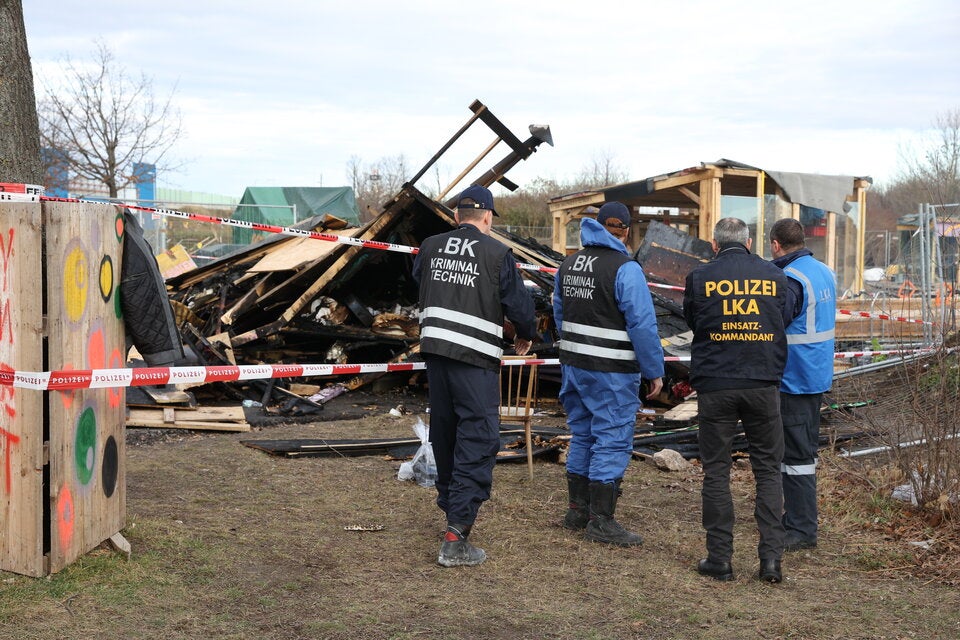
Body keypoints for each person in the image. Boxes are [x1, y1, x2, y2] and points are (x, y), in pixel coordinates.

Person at [412, 184, 537, 568]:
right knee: (479, 436)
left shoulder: (430, 246)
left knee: (446, 432)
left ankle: (452, 510)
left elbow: (420, 282)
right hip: (475, 359)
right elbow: (520, 306)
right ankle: (456, 535)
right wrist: (526, 333)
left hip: (436, 354)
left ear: (455, 216)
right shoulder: (498, 253)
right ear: (487, 217)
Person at [682, 217, 791, 583]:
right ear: (748, 243)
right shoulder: (776, 276)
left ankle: (719, 559)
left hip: (716, 384)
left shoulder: (700, 277)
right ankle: (771, 562)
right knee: (767, 471)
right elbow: (784, 317)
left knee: (716, 471)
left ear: (715, 245)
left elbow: (694, 320)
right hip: (763, 383)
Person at [553, 201, 664, 546]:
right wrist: (654, 371)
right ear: (626, 232)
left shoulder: (568, 264)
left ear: (597, 226)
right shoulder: (625, 269)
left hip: (574, 366)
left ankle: (577, 511)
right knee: (612, 436)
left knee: (583, 434)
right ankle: (601, 521)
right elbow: (642, 325)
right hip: (612, 371)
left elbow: (559, 312)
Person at [769, 218, 836, 552]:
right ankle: (796, 517)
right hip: (816, 372)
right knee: (798, 452)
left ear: (776, 245)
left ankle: (801, 528)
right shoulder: (823, 271)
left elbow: (774, 321)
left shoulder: (791, 279)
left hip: (795, 376)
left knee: (796, 455)